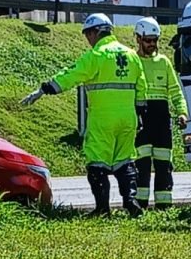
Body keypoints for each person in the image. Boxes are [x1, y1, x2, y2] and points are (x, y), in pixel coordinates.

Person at [22, 13, 147, 217]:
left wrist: (45, 89)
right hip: (128, 118)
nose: (88, 39)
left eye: (88, 34)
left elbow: (72, 74)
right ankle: (131, 202)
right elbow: (142, 87)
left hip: (103, 118)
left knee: (96, 163)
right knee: (125, 160)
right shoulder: (131, 55)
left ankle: (102, 209)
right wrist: (140, 112)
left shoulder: (96, 55)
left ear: (95, 32)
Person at [133, 17, 188, 210]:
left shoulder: (164, 62)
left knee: (164, 163)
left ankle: (164, 205)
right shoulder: (132, 61)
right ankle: (139, 205)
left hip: (162, 119)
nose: (152, 44)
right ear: (138, 38)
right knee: (141, 164)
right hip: (141, 118)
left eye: (155, 40)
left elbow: (176, 91)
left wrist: (182, 112)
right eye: (148, 40)